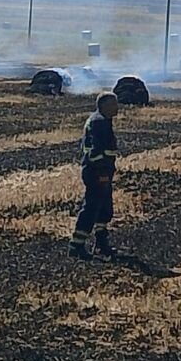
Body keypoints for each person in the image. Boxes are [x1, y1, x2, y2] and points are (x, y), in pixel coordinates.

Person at [69, 92, 120, 260]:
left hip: (101, 172)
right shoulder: (99, 123)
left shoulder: (101, 120)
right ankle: (76, 246)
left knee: (104, 209)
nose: (117, 107)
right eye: (114, 104)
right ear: (104, 105)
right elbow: (95, 152)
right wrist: (102, 173)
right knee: (91, 208)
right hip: (97, 173)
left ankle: (101, 244)